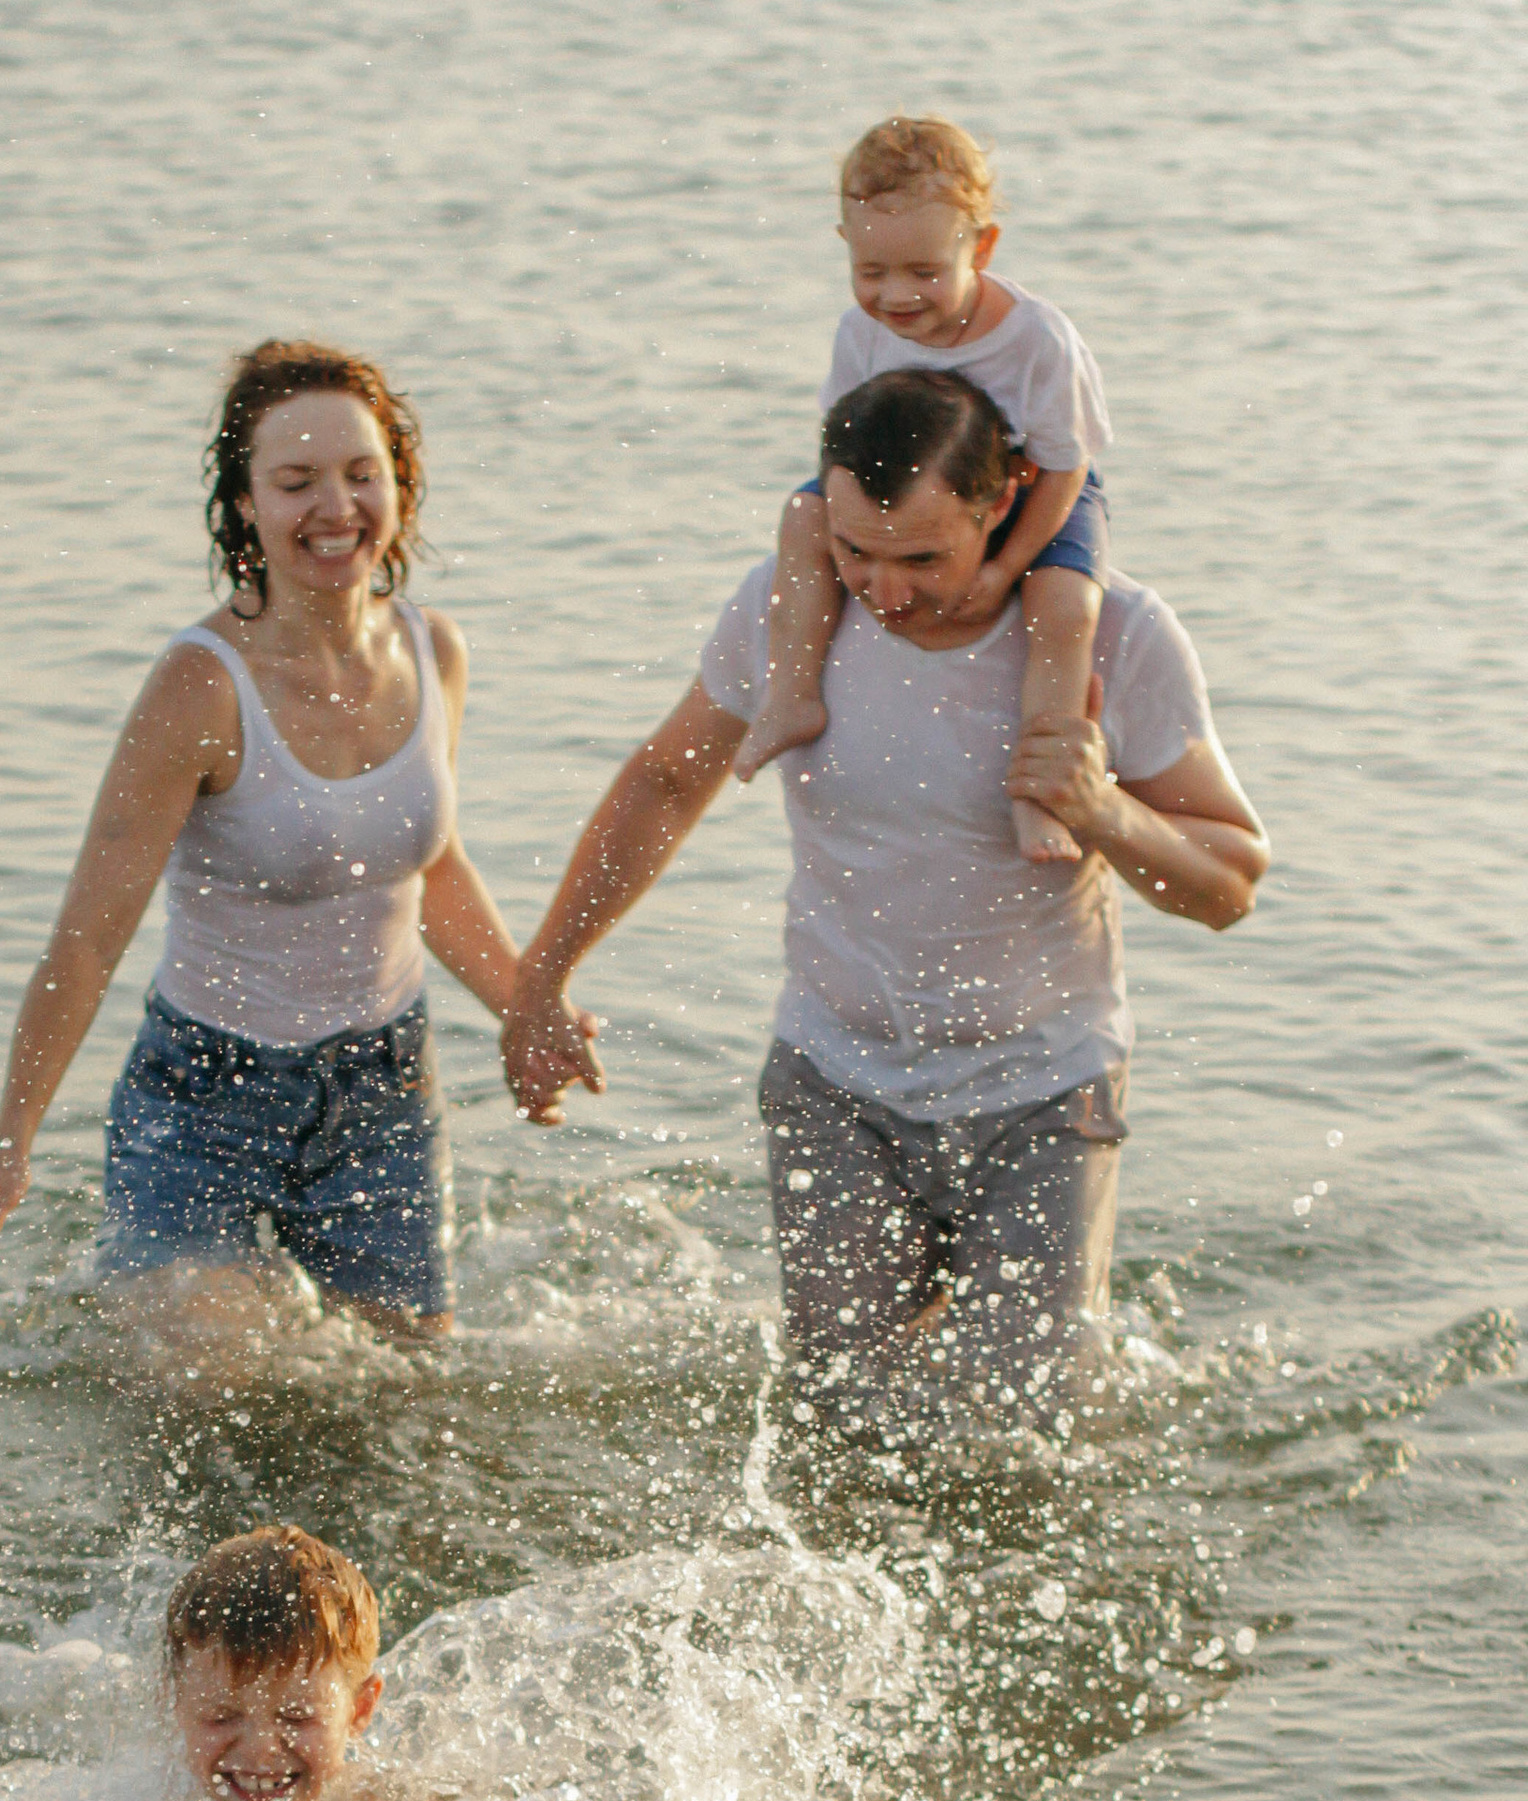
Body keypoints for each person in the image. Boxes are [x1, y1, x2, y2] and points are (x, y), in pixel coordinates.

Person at [501, 366, 1269, 1408]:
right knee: (840, 1421)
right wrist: (542, 977)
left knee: (1023, 1437)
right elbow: (667, 779)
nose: (883, 591)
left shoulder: (1112, 634)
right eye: (854, 551)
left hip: (1040, 1093)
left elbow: (1228, 883)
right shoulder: (796, 612)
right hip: (835, 1083)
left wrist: (1103, 812)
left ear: (1000, 506)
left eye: (920, 558)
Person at [0, 342, 555, 1356]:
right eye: (295, 481)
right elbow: (88, 943)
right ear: (241, 507)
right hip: (204, 1099)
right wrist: (7, 1149)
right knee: (209, 1400)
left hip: (384, 1091)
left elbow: (424, 866)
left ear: (398, 486)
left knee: (409, 1398)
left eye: (362, 475)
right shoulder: (198, 687)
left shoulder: (432, 650)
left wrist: (526, 1007)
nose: (336, 506)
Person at [731, 114, 1113, 867]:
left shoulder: (1037, 340)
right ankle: (792, 694)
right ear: (847, 249)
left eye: (925, 273)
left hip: (1036, 488)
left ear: (983, 245)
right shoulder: (859, 333)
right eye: (872, 274)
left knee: (1066, 604)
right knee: (801, 515)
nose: (897, 297)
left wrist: (1006, 568)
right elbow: (845, 454)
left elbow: (1067, 464)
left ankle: (1039, 792)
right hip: (905, 497)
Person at [165, 1525, 498, 1801]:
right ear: (174, 1702)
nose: (260, 1750)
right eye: (220, 1716)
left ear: (359, 1710)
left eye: (296, 1717)